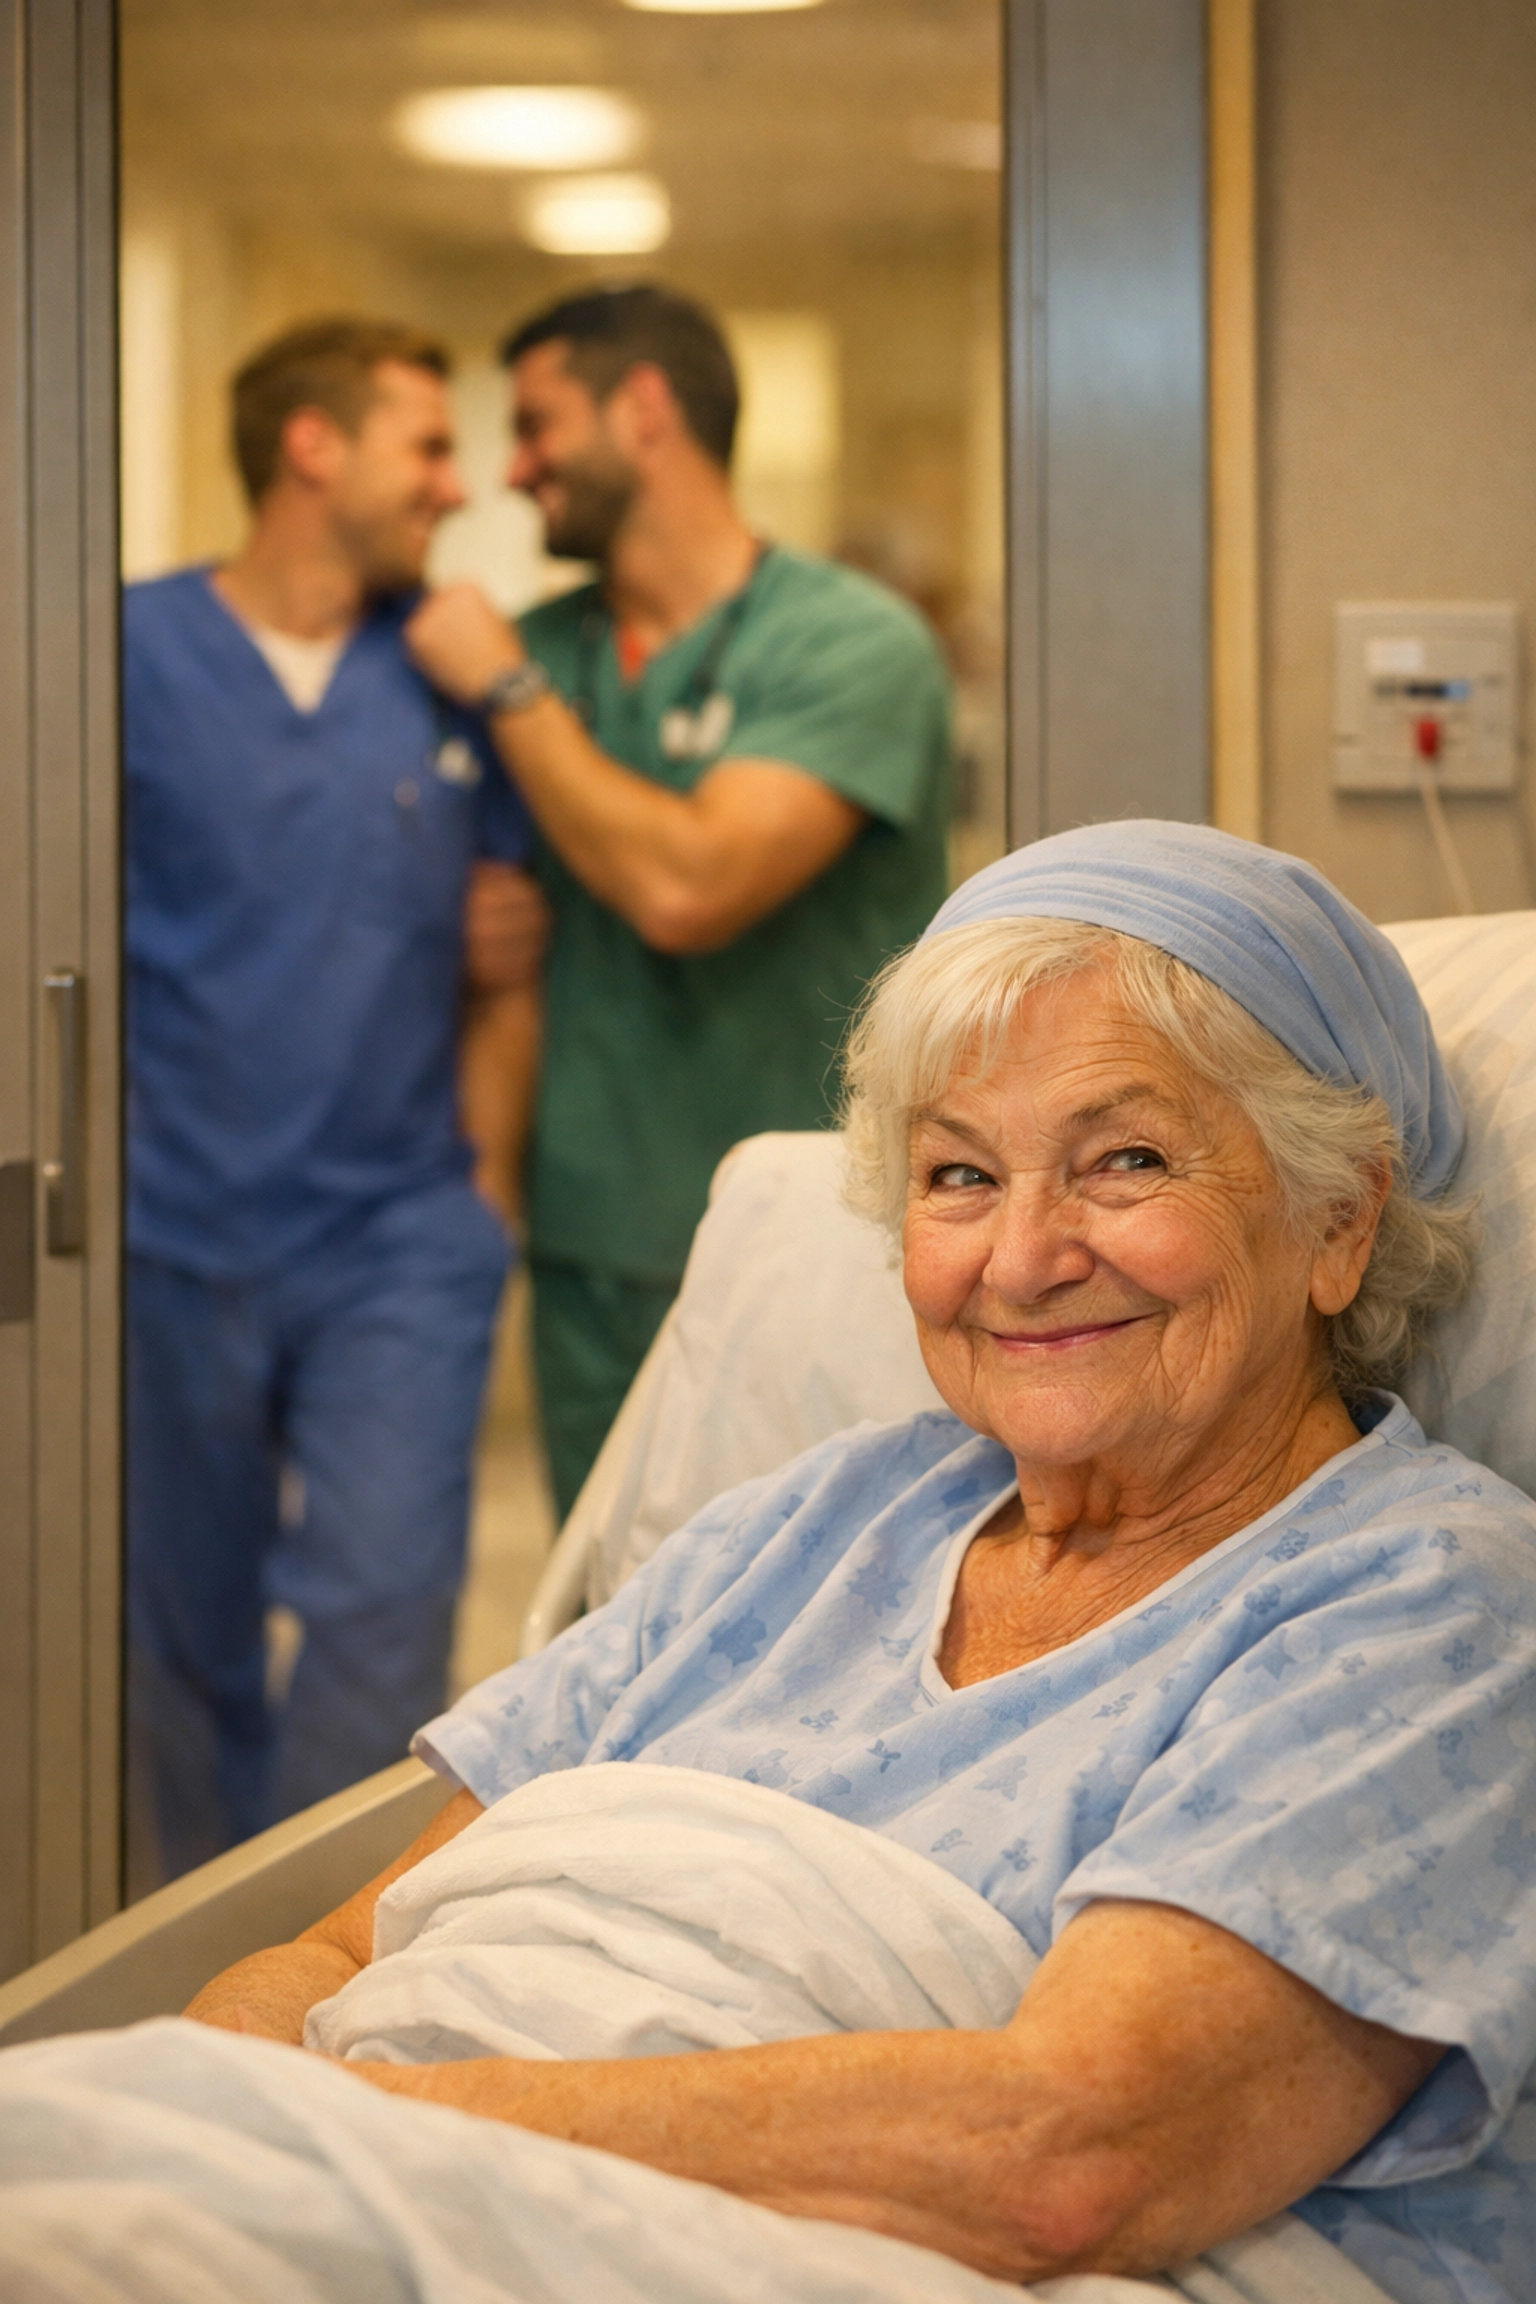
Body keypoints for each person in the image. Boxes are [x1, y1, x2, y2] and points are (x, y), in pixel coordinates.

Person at [173, 823, 1536, 2304]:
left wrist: (382, 2133)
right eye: (959, 1175)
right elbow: (332, 1955)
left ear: (1340, 1220)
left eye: (1127, 1161)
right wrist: (223, 2124)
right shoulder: (808, 1525)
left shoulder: (1427, 1606)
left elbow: (1070, 2160)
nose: (1022, 1258)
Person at [405, 283, 953, 1518]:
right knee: (611, 1606)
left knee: (816, 1600)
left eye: (537, 426)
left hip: (822, 1239)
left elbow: (687, 886)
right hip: (593, 1241)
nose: (512, 470)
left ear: (645, 410)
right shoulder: (547, 643)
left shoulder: (848, 644)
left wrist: (508, 693)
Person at [125, 316, 545, 1881]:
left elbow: (512, 957)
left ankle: (311, 1949)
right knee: (177, 1634)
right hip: (171, 1227)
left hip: (396, 1235)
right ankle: (190, 1944)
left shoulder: (443, 673)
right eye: (426, 446)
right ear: (313, 447)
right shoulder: (123, 657)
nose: (455, 484)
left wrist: (481, 1193)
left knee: (384, 1622)